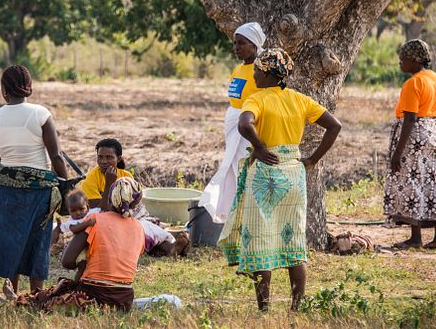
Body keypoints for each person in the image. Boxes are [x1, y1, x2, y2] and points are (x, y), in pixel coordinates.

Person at [218, 48, 342, 311]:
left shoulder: (258, 99)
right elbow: (334, 126)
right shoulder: (299, 99)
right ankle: (296, 308)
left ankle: (264, 309)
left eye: (256, 71)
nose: (253, 75)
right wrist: (312, 160)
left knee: (261, 241)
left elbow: (244, 124)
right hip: (293, 174)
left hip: (264, 174)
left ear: (265, 74)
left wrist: (260, 147)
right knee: (294, 242)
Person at [0, 177, 146, 312]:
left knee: (57, 296)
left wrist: (83, 261)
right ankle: (18, 299)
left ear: (111, 198)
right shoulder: (140, 228)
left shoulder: (96, 220)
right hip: (123, 300)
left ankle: (11, 305)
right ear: (137, 202)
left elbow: (67, 262)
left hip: (95, 294)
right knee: (61, 292)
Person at [0, 65, 69, 295]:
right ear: (28, 86)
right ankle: (36, 294)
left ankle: (10, 289)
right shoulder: (40, 113)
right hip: (38, 190)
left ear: (4, 90)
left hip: (7, 190)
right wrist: (66, 189)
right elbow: (56, 157)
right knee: (37, 242)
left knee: (11, 240)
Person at [200, 22, 265, 223]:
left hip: (249, 125)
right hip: (233, 123)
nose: (236, 47)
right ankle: (232, 213)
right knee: (231, 167)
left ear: (254, 45)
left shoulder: (261, 70)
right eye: (235, 43)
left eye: (242, 43)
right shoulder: (238, 69)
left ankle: (247, 214)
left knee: (244, 168)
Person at [384, 39, 436, 250]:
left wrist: (397, 153)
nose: (400, 63)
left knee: (411, 181)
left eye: (403, 59)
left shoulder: (413, 83)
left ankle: (416, 237)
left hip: (414, 137)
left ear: (414, 60)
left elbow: (410, 119)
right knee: (430, 181)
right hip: (433, 133)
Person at [80, 138, 184, 256]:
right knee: (135, 231)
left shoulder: (125, 176)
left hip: (126, 216)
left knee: (144, 228)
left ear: (118, 158)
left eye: (109, 157)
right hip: (102, 222)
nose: (103, 161)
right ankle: (169, 249)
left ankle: (171, 248)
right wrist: (109, 183)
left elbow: (134, 205)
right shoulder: (91, 179)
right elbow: (99, 213)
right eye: (100, 157)